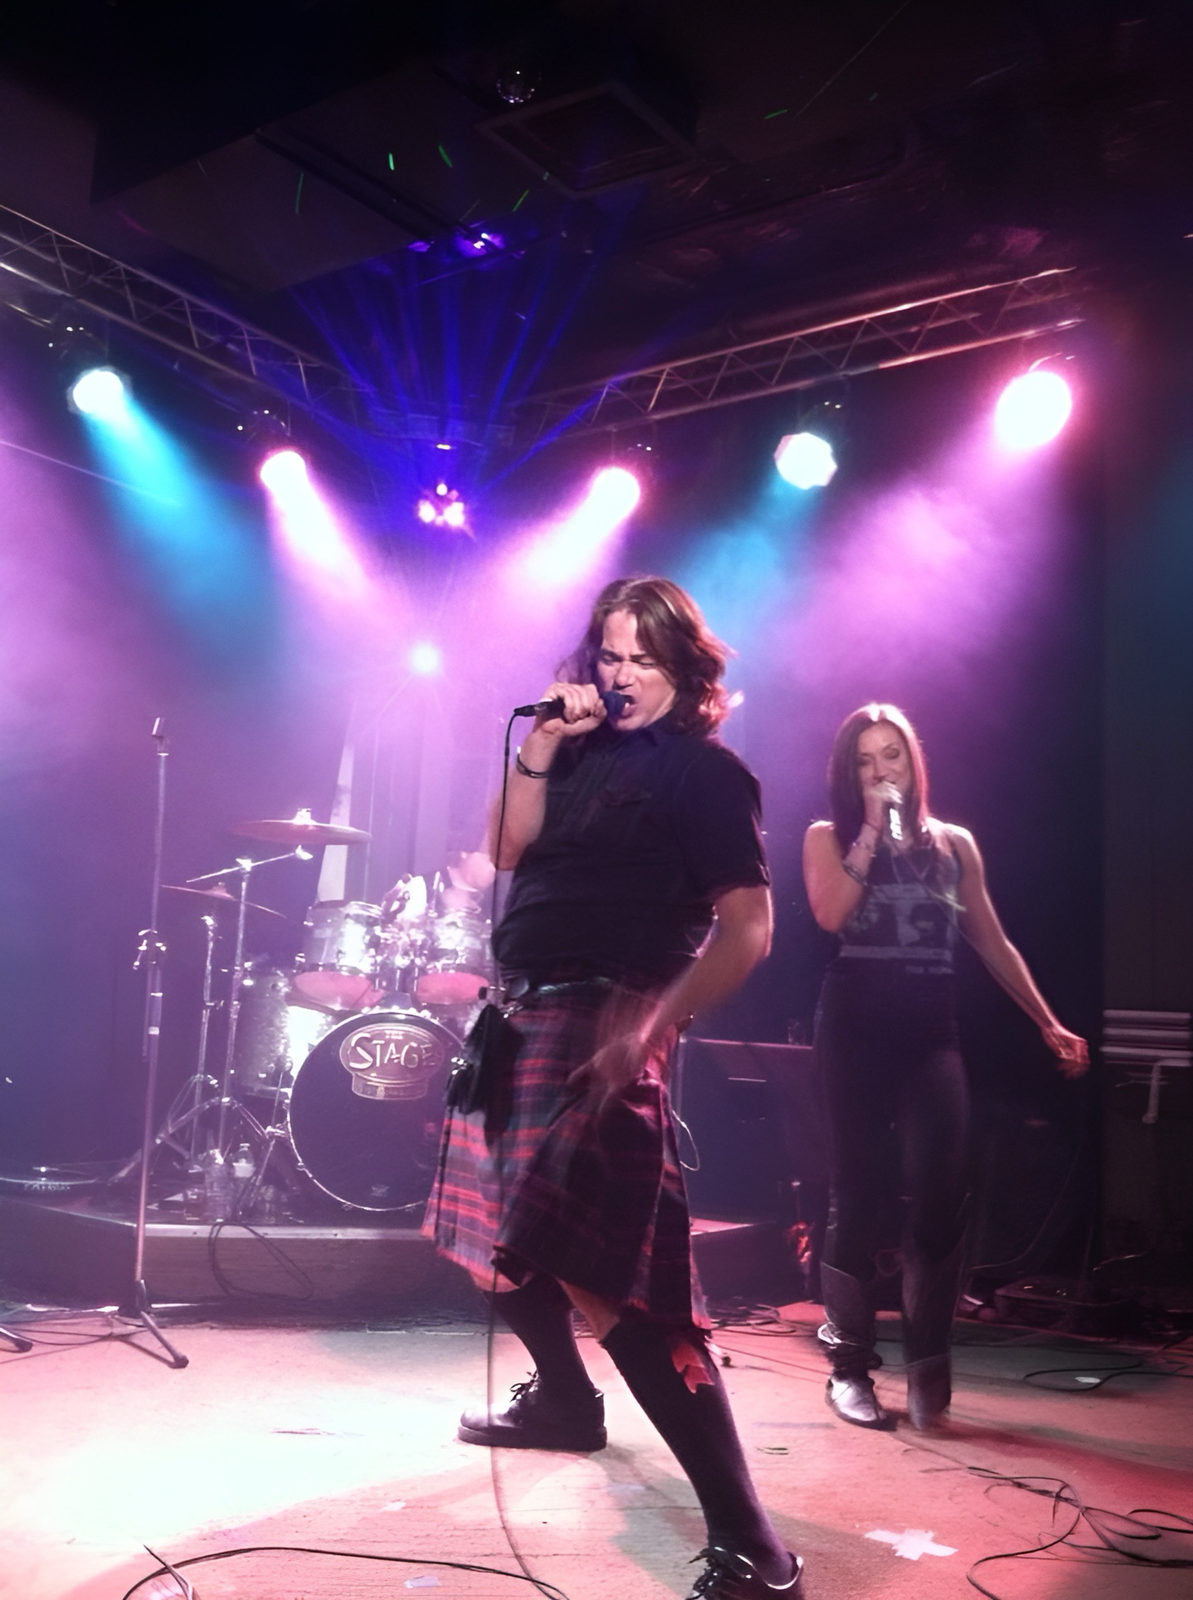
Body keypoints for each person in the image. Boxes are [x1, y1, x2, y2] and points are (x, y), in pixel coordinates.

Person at [425, 576, 803, 1600]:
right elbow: (503, 848)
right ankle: (563, 1401)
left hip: (604, 1019)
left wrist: (649, 1024)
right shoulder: (574, 753)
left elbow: (750, 931)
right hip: (516, 1018)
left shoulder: (704, 774)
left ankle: (756, 1548)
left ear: (684, 669)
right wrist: (543, 743)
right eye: (608, 654)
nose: (620, 674)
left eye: (643, 658)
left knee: (614, 1280)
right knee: (490, 1248)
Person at [802, 703, 1088, 1431]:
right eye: (865, 760)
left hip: (930, 1033)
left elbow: (990, 940)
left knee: (939, 1193)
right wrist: (871, 831)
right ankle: (849, 1368)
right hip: (853, 1030)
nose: (880, 771)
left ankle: (929, 1366)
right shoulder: (826, 837)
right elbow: (831, 914)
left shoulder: (954, 845)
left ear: (912, 762)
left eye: (891, 755)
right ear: (849, 773)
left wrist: (1047, 1021)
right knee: (857, 1194)